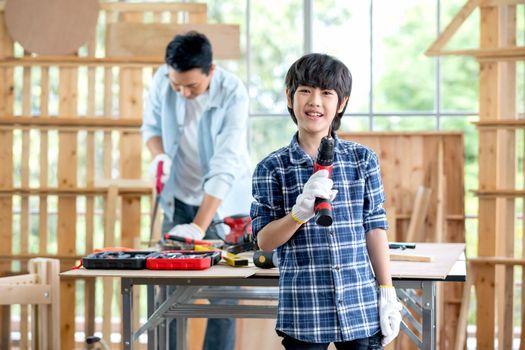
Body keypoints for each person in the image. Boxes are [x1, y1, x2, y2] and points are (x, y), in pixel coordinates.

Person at [250, 53, 402, 350]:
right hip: (305, 313)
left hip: (360, 307)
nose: (315, 101)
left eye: (326, 93)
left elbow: (374, 228)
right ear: (289, 97)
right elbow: (264, 242)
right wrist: (298, 214)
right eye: (305, 90)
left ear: (341, 103)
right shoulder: (272, 167)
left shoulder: (362, 160)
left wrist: (386, 291)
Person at [141, 31, 252, 350]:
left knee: (224, 297)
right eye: (177, 86)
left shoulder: (233, 93)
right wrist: (159, 155)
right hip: (176, 199)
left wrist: (198, 228)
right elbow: (150, 128)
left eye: (192, 86)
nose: (183, 93)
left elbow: (224, 164)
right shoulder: (164, 80)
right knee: (168, 298)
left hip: (223, 205)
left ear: (211, 71)